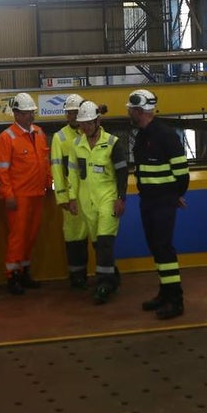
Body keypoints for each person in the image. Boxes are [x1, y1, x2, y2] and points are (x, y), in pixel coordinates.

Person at [127, 88, 189, 320]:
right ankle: (164, 292)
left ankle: (175, 300)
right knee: (156, 248)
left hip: (163, 202)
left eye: (131, 109)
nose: (128, 113)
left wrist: (174, 195)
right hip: (149, 201)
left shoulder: (165, 135)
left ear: (139, 110)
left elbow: (182, 172)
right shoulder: (143, 135)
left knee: (164, 249)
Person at [66, 101, 128, 305]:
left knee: (105, 240)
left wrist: (121, 198)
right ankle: (112, 275)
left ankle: (105, 285)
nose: (85, 128)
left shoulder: (112, 143)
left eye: (89, 124)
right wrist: (72, 198)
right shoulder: (77, 145)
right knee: (97, 244)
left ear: (98, 121)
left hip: (107, 199)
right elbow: (73, 174)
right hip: (86, 203)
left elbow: (122, 172)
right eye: (82, 124)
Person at [0, 92, 52, 295]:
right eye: (27, 113)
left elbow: (44, 161)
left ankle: (24, 271)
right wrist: (8, 195)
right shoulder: (6, 138)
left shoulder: (38, 133)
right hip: (18, 197)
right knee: (17, 237)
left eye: (32, 112)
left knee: (30, 235)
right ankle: (13, 276)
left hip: (37, 194)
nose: (31, 116)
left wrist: (48, 183)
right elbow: (2, 170)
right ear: (16, 114)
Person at [50, 93, 89, 288]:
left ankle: (105, 274)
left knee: (100, 236)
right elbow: (57, 170)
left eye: (75, 112)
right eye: (69, 113)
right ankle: (77, 275)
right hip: (73, 198)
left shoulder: (91, 132)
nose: (71, 116)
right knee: (75, 237)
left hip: (93, 196)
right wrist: (62, 197)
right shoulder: (60, 137)